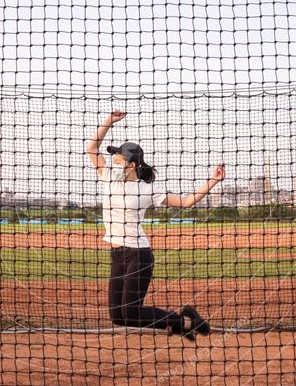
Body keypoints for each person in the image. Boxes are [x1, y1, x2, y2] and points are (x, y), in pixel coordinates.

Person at [86, 110, 226, 341]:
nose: (113, 163)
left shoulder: (147, 189)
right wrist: (108, 122)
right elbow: (92, 149)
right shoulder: (109, 177)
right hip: (117, 254)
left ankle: (187, 321)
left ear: (131, 165)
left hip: (138, 255)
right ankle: (182, 322)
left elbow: (187, 202)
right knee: (118, 317)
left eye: (118, 160)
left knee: (131, 312)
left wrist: (213, 181)